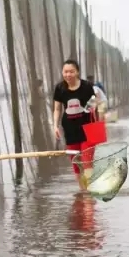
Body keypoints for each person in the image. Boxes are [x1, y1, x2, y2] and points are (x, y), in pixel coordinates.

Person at [53, 60, 102, 189]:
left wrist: (93, 108)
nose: (68, 74)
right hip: (70, 130)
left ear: (77, 72)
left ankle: (90, 193)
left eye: (71, 71)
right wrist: (55, 126)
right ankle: (83, 190)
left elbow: (95, 103)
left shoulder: (87, 86)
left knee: (87, 162)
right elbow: (57, 109)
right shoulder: (60, 88)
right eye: (65, 72)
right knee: (76, 164)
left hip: (87, 129)